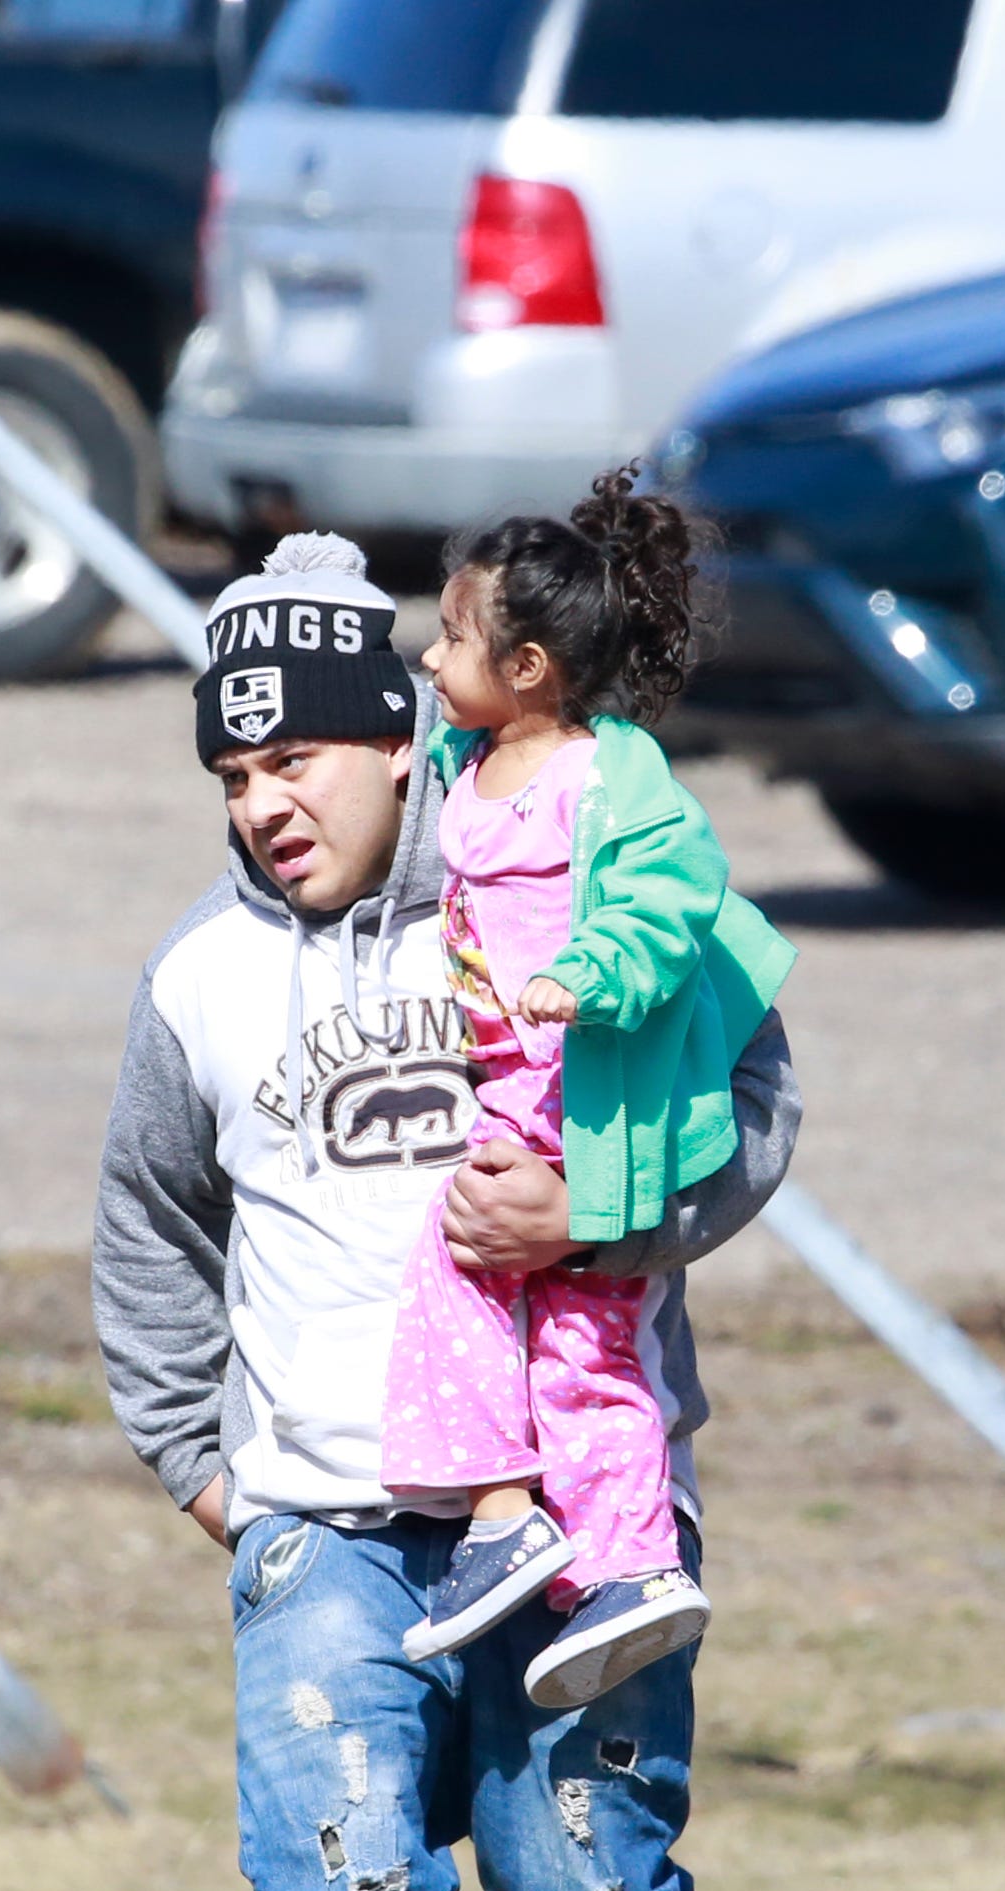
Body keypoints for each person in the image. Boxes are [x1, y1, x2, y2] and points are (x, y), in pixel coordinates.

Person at [93, 532, 802, 1891]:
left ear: (399, 736)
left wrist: (611, 1205)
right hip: (320, 1519)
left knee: (580, 1889)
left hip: (574, 1513)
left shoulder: (549, 858)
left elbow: (757, 1097)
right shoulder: (197, 986)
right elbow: (145, 1244)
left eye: (296, 763)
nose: (264, 807)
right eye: (232, 779)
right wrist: (207, 1477)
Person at [383, 474, 794, 1710]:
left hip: (588, 1099)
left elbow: (671, 896)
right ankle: (618, 1563)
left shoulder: (607, 778)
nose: (428, 652)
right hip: (513, 1086)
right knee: (564, 1331)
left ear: (527, 666)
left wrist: (590, 971)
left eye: (450, 637)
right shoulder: (471, 755)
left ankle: (520, 1517)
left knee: (482, 1276)